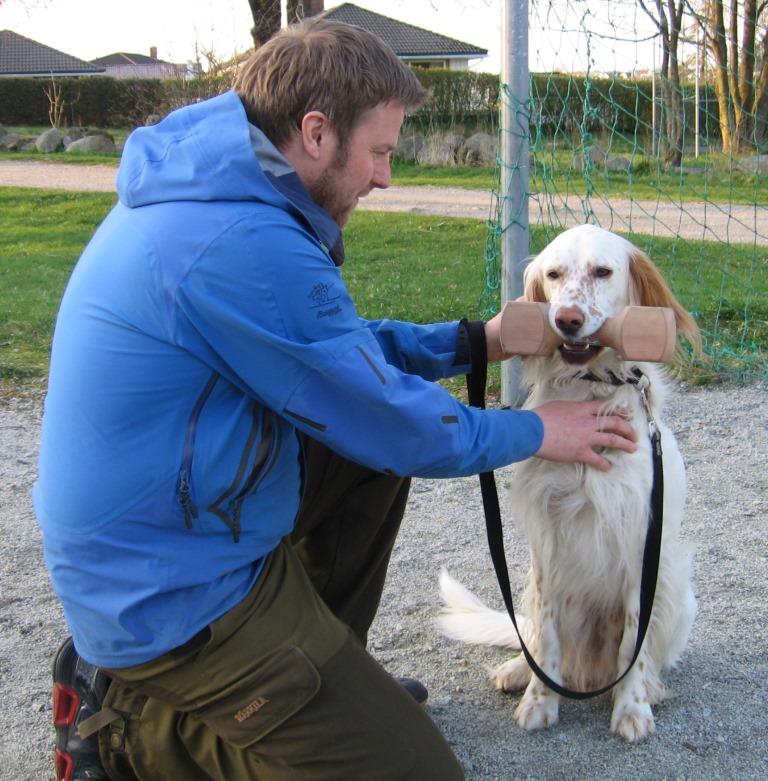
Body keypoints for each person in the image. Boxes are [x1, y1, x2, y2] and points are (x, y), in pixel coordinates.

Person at [37, 18, 637, 781]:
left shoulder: (223, 193)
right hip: (173, 592)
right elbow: (395, 421)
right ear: (316, 133)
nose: (386, 176)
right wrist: (537, 428)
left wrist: (471, 342)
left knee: (365, 450)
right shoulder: (240, 243)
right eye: (381, 151)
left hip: (188, 524)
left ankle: (323, 676)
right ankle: (126, 726)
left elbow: (333, 359)